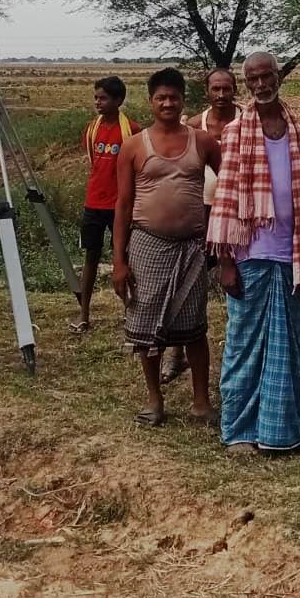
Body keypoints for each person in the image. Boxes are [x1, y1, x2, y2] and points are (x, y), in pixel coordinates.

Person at [209, 51, 300, 455]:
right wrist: (226, 262)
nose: (261, 85)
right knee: (244, 346)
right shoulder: (236, 132)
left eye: (266, 76)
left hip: (291, 253)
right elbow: (225, 199)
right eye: (253, 79)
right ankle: (239, 430)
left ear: (278, 76)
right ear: (247, 84)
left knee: (292, 345)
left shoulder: (298, 128)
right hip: (249, 255)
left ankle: (294, 426)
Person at [111, 68, 220, 426]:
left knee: (195, 328)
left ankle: (201, 401)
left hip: (192, 248)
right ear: (151, 102)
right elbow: (123, 205)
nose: (168, 103)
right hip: (147, 245)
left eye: (174, 97)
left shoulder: (203, 142)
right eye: (161, 97)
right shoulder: (133, 146)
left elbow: (231, 185)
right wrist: (119, 261)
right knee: (146, 328)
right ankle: (154, 399)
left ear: (183, 100)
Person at [160, 66, 240, 385]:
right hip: (201, 212)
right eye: (215, 89)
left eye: (226, 88)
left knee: (239, 280)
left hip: (238, 212)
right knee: (188, 281)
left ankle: (240, 353)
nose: (221, 94)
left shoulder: (248, 121)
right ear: (207, 92)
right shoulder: (194, 126)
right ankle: (176, 352)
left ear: (235, 89)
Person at [74, 76, 135, 333]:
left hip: (120, 206)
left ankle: (131, 313)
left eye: (104, 98)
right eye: (96, 98)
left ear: (118, 100)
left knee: (124, 257)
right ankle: (84, 313)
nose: (98, 102)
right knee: (91, 256)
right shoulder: (92, 129)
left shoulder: (131, 130)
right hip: (94, 203)